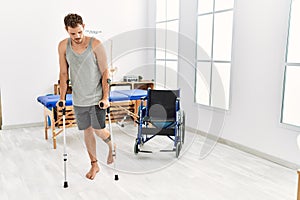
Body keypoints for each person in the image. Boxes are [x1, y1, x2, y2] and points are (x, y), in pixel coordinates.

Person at [57, 13, 113, 180]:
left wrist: (105, 97)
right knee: (87, 131)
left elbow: (105, 72)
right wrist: (61, 98)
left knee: (98, 130)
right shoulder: (62, 46)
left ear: (84, 27)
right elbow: (63, 73)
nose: (77, 36)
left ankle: (112, 145)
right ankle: (94, 164)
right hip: (78, 98)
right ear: (67, 30)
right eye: (73, 33)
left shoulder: (95, 44)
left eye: (80, 32)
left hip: (96, 97)